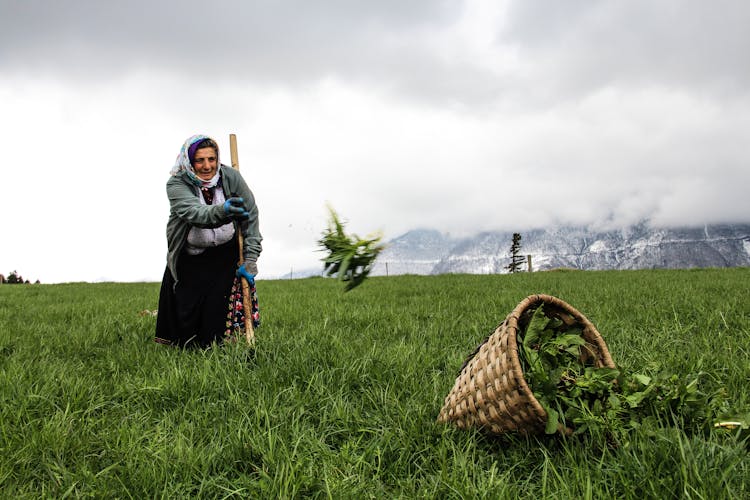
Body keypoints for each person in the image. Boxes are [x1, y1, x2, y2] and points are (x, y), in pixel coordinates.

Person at [155, 134, 262, 347]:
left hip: (224, 256)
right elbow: (195, 213)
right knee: (187, 327)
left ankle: (224, 348)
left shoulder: (231, 178)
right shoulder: (177, 183)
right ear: (189, 161)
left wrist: (250, 258)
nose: (207, 166)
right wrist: (223, 210)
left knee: (217, 321)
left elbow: (251, 218)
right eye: (200, 160)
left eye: (211, 159)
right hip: (191, 257)